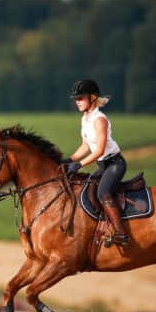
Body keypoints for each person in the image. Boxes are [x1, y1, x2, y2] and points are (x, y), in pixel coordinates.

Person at [62, 79, 130, 247]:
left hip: (115, 164)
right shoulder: (86, 119)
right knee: (87, 188)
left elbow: (98, 150)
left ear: (92, 98)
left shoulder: (100, 119)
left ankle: (121, 233)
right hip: (103, 166)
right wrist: (69, 160)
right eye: (76, 99)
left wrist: (80, 164)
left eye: (81, 98)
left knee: (103, 193)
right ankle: (102, 225)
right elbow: (85, 146)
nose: (77, 102)